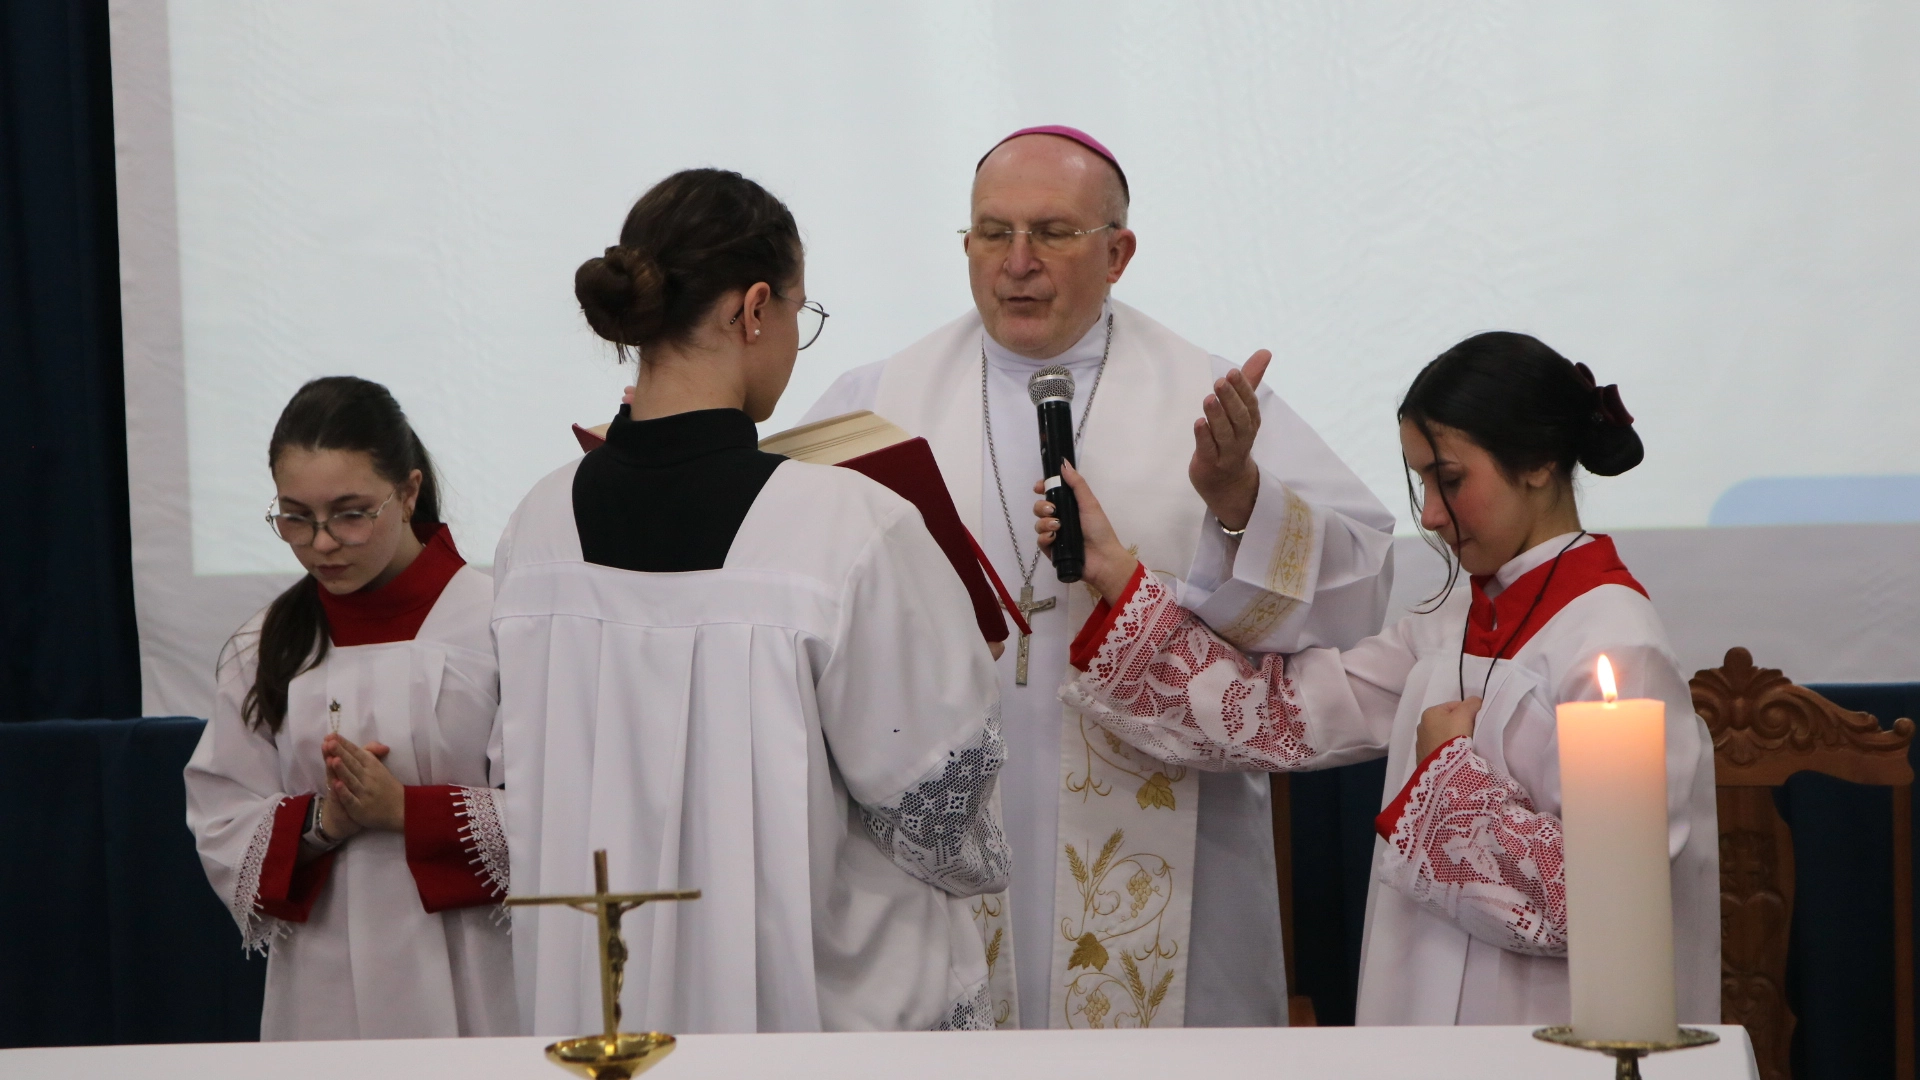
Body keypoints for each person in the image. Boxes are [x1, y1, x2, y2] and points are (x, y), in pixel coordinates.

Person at [802, 125, 1395, 1029]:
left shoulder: (1211, 398)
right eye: (992, 233)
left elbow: (1364, 588)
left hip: (1165, 830)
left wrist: (1240, 501)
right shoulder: (871, 406)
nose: (1018, 262)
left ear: (1119, 252)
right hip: (945, 822)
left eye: (1053, 233)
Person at [1039, 331, 1719, 1026]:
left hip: (1557, 1036)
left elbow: (1602, 906)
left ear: (1541, 462)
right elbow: (1277, 718)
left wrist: (1448, 774)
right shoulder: (1452, 620)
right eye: (1421, 480)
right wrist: (1115, 571)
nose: (1428, 514)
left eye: (1449, 480)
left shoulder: (1617, 646)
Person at [494, 168, 1009, 1035]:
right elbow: (942, 817)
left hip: (600, 998)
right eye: (800, 316)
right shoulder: (846, 525)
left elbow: (523, 781)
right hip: (798, 1010)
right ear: (754, 308)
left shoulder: (537, 523)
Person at [184, 376, 514, 1040]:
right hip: (325, 982)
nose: (322, 542)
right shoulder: (265, 644)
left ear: (410, 491)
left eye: (351, 512)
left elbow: (567, 808)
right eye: (295, 516)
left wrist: (405, 812)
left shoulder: (501, 623)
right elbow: (221, 817)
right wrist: (322, 821)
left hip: (484, 973)